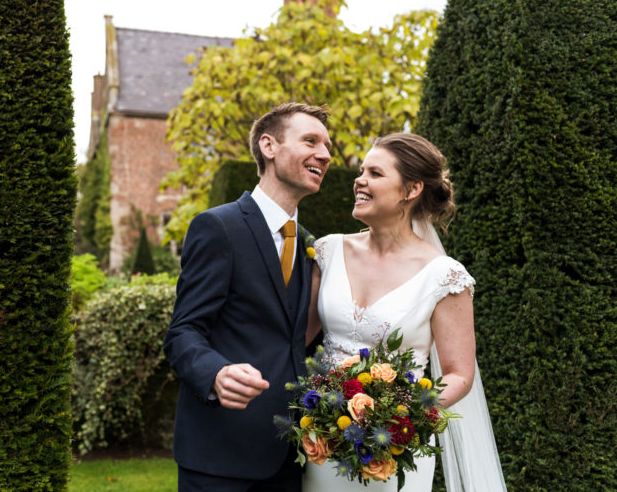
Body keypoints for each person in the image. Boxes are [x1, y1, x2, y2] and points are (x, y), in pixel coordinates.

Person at [303, 133, 507, 492]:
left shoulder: (444, 275)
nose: (359, 179)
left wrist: (399, 416)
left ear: (410, 189)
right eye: (362, 170)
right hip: (323, 439)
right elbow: (298, 337)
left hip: (394, 447)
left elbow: (460, 373)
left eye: (375, 173)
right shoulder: (328, 250)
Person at [164, 102, 333, 492]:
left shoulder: (311, 247)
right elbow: (183, 332)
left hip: (291, 457)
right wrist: (216, 373)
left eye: (327, 146)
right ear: (269, 146)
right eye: (310, 140)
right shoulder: (218, 227)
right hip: (220, 456)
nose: (324, 154)